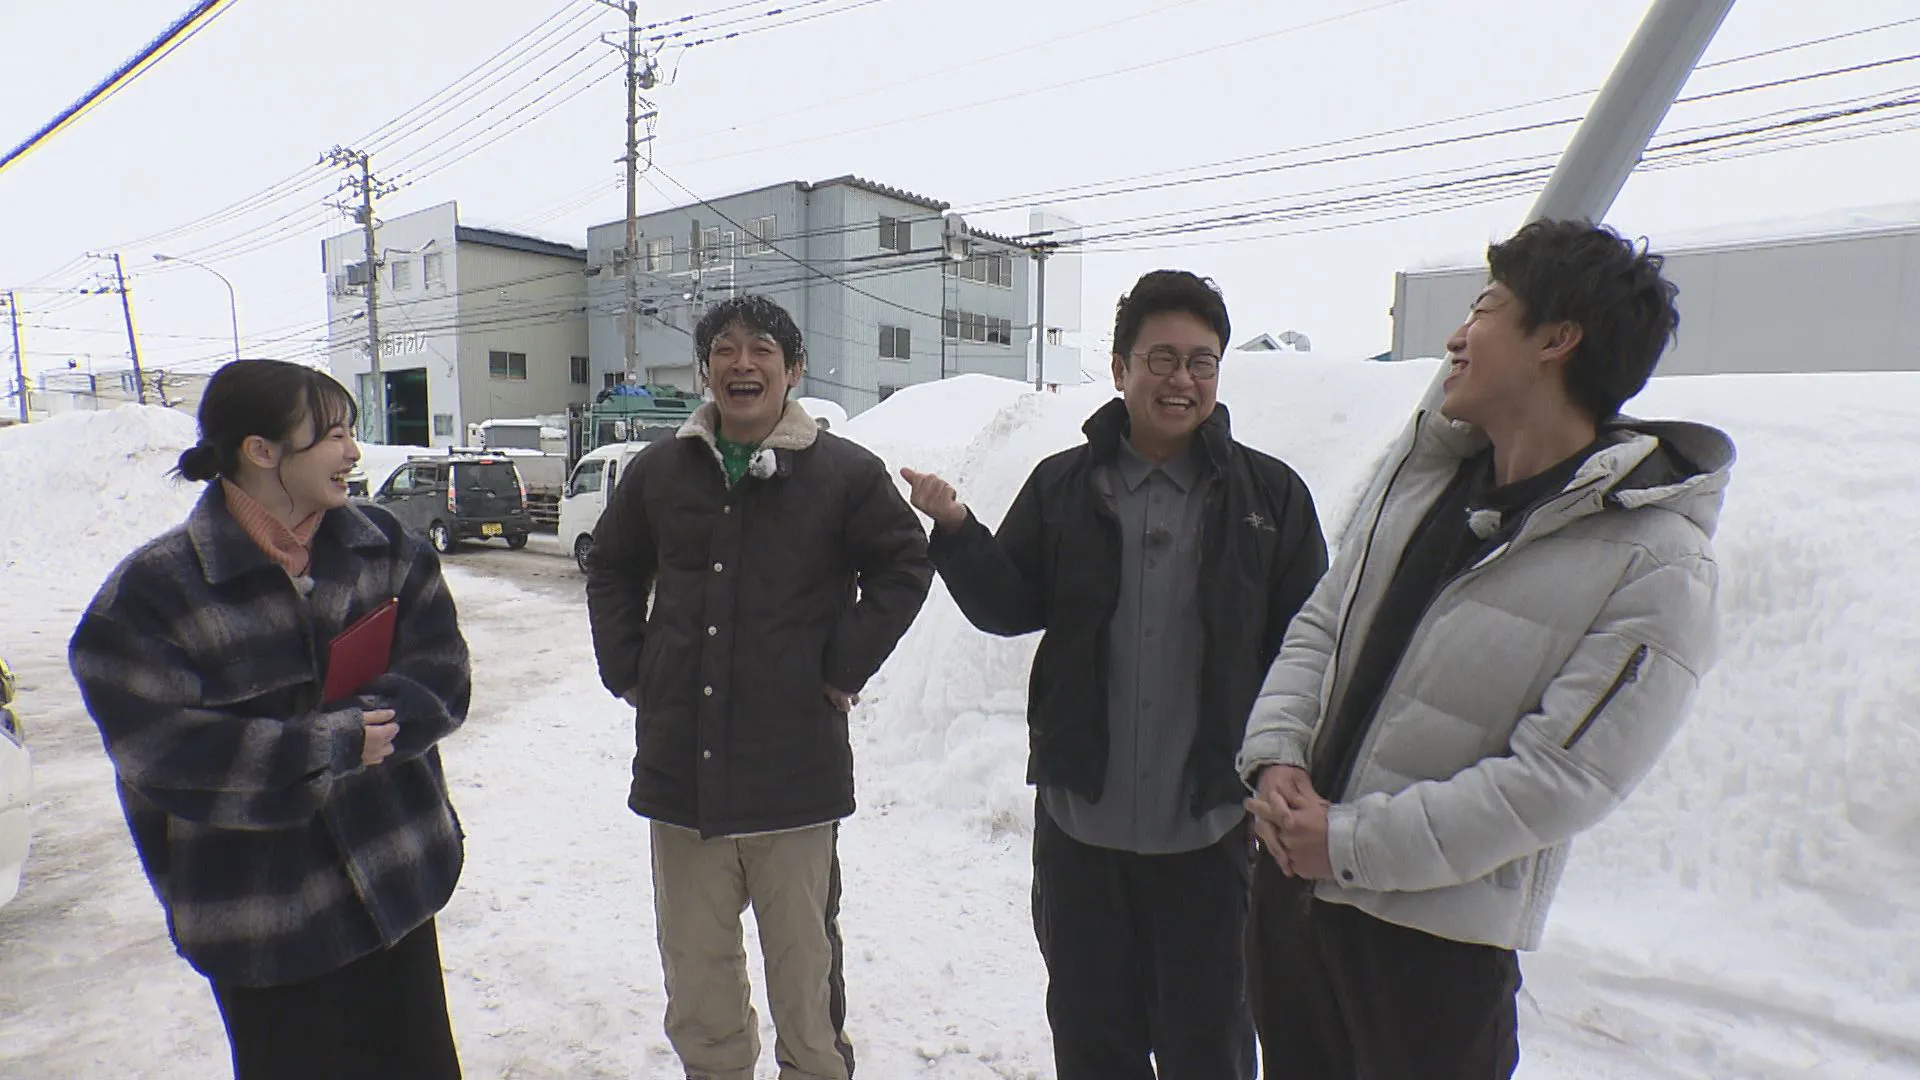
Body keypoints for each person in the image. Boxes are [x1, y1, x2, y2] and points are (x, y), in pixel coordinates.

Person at [1238, 219, 1733, 1079]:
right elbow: (1326, 618)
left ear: (1557, 340)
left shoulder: (1658, 560)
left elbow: (1556, 783)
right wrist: (1277, 754)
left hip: (1430, 959)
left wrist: (1347, 844)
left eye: (1485, 308)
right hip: (1291, 905)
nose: (1456, 337)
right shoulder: (1429, 473)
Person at [902, 270, 1328, 1080]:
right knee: (1094, 1044)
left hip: (1210, 833)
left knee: (1211, 1047)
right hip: (1082, 837)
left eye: (1201, 361)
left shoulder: (1270, 497)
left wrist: (1292, 771)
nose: (1181, 379)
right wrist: (956, 529)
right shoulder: (1065, 485)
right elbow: (1009, 604)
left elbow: (1307, 652)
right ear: (1120, 368)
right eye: (1161, 358)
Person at [69, 358, 472, 1080]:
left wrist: (374, 723)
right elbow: (163, 755)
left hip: (398, 884)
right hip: (264, 921)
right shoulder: (148, 599)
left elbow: (442, 675)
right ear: (261, 450)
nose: (353, 452)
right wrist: (329, 745)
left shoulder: (383, 547)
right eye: (334, 435)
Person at [585, 294, 932, 1080]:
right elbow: (610, 565)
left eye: (762, 350)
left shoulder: (843, 474)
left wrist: (842, 665)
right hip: (681, 773)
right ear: (705, 371)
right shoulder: (659, 471)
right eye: (725, 350)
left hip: (794, 777)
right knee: (697, 982)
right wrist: (629, 667)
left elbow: (904, 565)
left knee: (806, 988)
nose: (743, 364)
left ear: (793, 368)